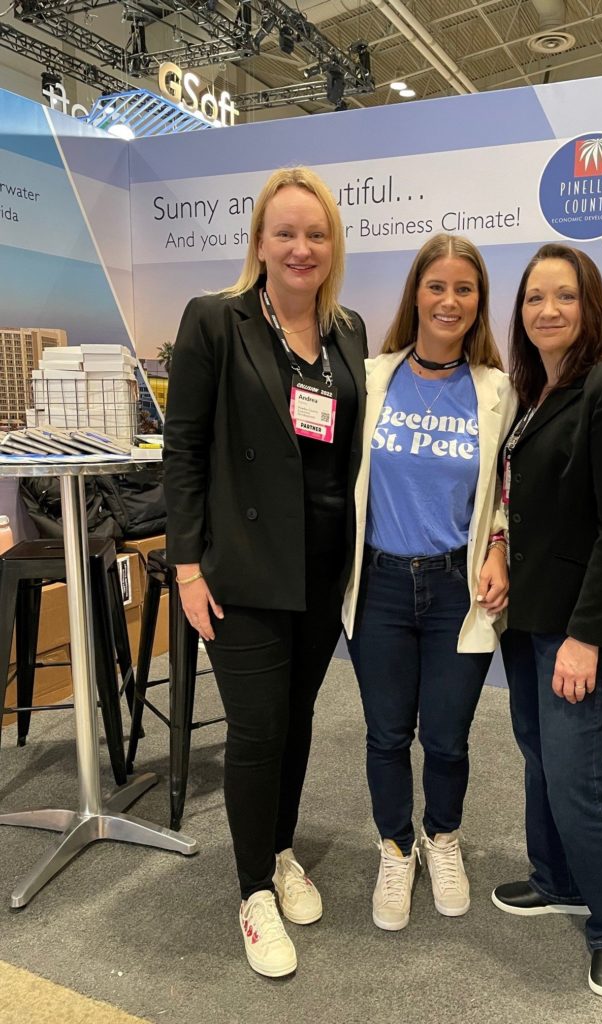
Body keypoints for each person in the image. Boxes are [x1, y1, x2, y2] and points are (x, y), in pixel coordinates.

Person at [163, 166, 368, 978]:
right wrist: (185, 567)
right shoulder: (216, 322)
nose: (300, 247)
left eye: (315, 234)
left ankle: (281, 851)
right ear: (259, 241)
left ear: (332, 247)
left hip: (322, 566)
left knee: (298, 717)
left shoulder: (347, 330)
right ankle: (253, 892)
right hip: (243, 566)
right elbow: (183, 450)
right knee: (254, 729)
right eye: (285, 232)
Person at [491, 243, 602, 998]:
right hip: (532, 614)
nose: (547, 310)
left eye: (564, 296)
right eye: (534, 298)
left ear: (590, 306)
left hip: (583, 622)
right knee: (537, 753)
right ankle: (556, 878)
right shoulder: (540, 393)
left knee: (575, 770)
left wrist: (586, 636)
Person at [342, 234, 516, 931]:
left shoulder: (496, 390)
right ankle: (395, 844)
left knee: (445, 738)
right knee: (387, 734)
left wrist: (500, 545)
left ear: (479, 304)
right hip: (380, 583)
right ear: (416, 291)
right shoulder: (371, 376)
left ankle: (443, 837)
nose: (449, 300)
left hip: (456, 591)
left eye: (464, 289)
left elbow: (508, 486)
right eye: (437, 286)